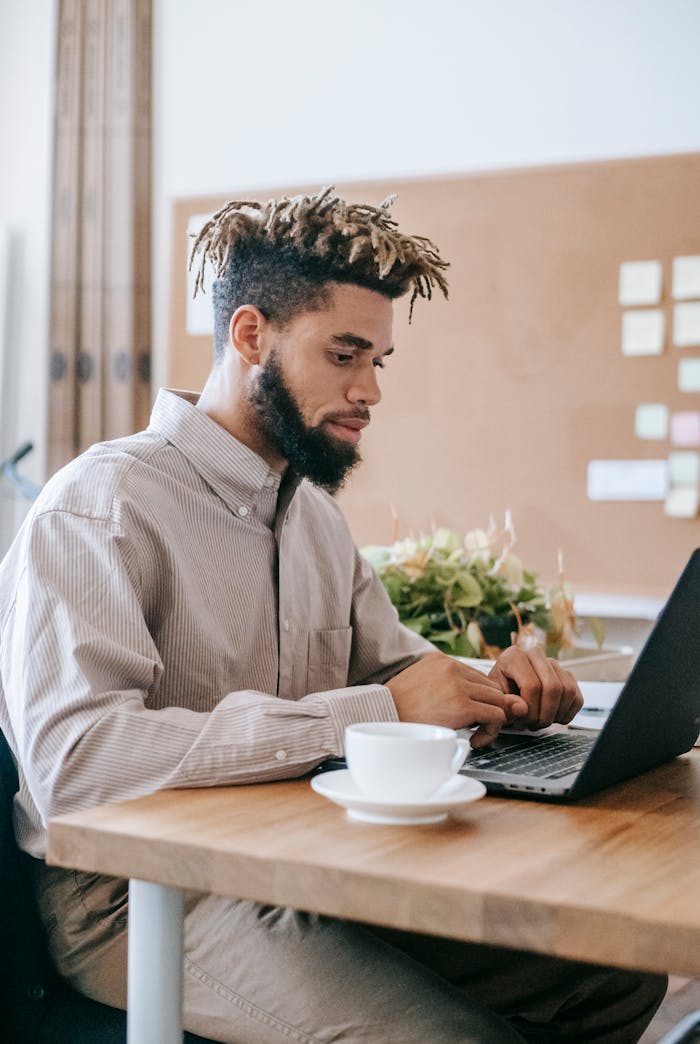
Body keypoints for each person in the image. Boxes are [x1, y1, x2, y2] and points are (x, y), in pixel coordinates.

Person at [0, 186, 665, 1042]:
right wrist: (374, 713)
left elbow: (394, 669)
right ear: (251, 336)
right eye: (345, 355)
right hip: (137, 897)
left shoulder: (312, 516)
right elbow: (78, 764)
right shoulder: (99, 505)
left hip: (303, 863)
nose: (371, 390)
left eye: (379, 360)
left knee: (610, 975)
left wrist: (495, 691)